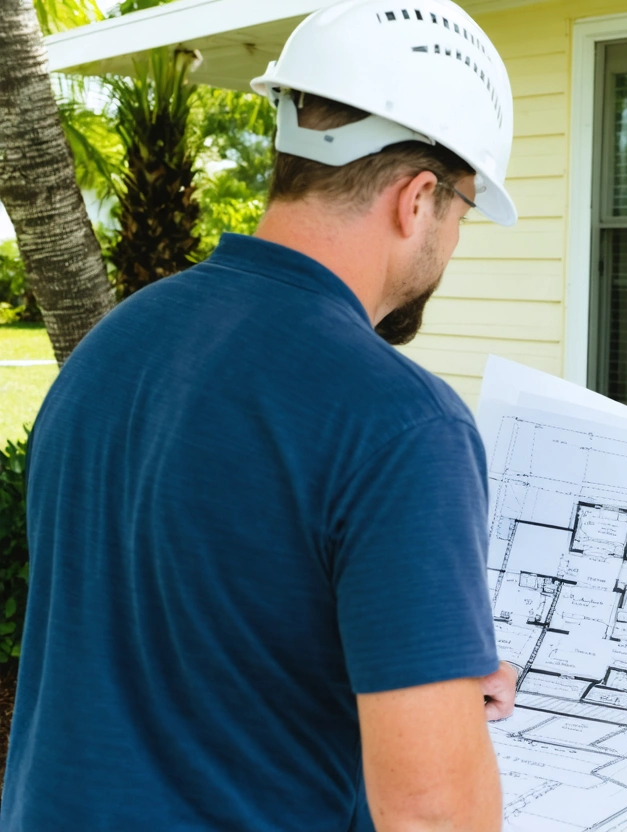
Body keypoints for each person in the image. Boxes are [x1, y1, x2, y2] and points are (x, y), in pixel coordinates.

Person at [1, 1, 518, 829]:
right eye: (460, 212)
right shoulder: (405, 424)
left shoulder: (114, 345)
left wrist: (421, 666)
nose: (451, 242)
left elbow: (183, 628)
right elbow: (433, 816)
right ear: (418, 199)